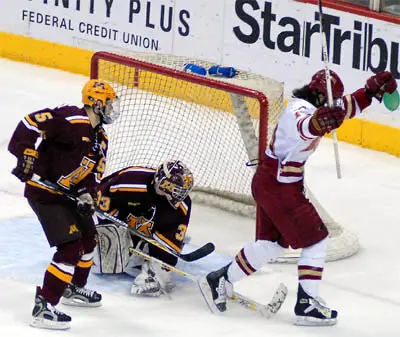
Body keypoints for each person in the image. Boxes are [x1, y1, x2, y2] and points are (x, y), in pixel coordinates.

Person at [200, 70, 398, 326]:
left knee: (272, 244)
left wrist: (370, 92)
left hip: (270, 183)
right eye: (330, 100)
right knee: (316, 239)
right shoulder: (298, 112)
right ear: (318, 95)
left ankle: (220, 279)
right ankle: (307, 304)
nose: (334, 104)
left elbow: (342, 108)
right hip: (281, 188)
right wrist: (319, 123)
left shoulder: (318, 103)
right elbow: (306, 126)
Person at [8, 79, 120, 330]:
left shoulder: (100, 139)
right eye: (110, 104)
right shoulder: (72, 119)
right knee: (70, 249)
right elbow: (30, 122)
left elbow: (90, 175)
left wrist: (87, 195)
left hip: (66, 194)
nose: (113, 109)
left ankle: (72, 288)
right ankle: (43, 307)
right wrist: (25, 152)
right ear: (97, 102)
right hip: (44, 193)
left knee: (90, 237)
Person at [94, 160, 194, 297]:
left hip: (147, 229)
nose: (181, 195)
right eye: (178, 190)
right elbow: (99, 204)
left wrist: (160, 265)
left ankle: (144, 248)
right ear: (163, 183)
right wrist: (111, 231)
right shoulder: (130, 181)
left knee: (157, 272)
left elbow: (170, 244)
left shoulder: (182, 205)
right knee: (104, 265)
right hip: (119, 221)